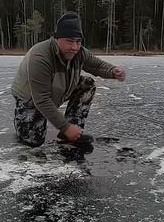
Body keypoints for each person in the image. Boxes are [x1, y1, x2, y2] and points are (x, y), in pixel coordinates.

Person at [11, 11, 126, 147]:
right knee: (33, 141)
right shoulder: (40, 57)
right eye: (70, 41)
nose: (74, 47)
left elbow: (97, 65)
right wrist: (64, 127)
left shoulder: (80, 52)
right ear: (56, 38)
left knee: (86, 84)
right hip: (31, 99)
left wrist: (113, 71)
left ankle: (73, 131)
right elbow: (41, 99)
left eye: (78, 41)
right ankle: (25, 123)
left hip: (58, 89)